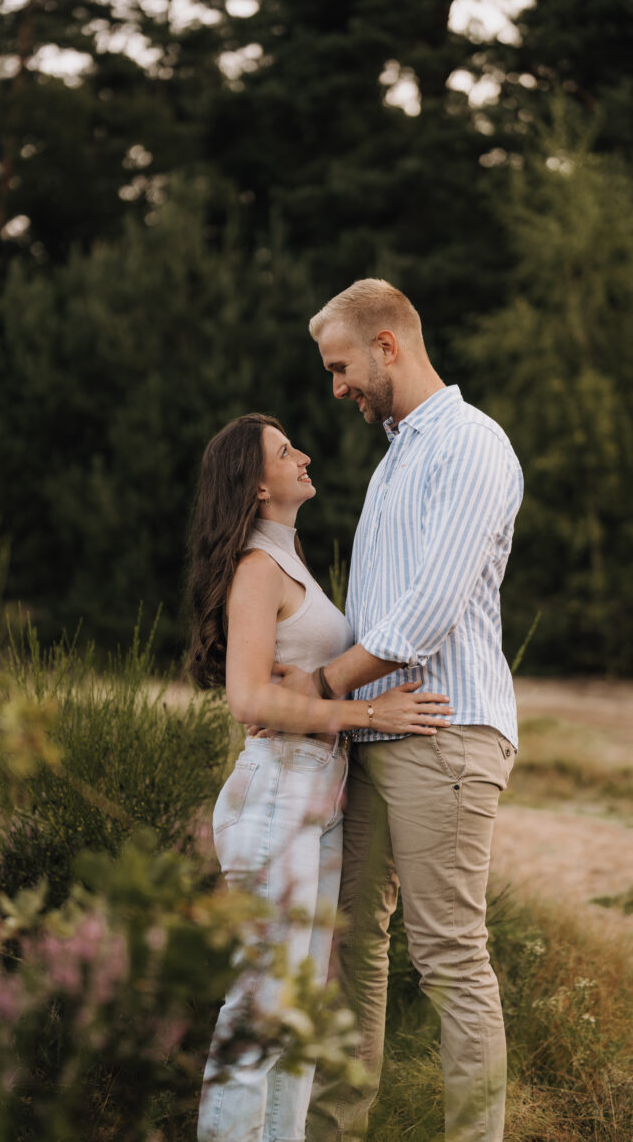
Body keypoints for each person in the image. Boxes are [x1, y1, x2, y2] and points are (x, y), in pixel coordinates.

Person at [269, 280, 523, 1142]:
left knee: (450, 957)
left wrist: (323, 687)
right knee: (355, 948)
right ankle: (336, 1131)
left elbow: (428, 610)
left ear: (387, 345)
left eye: (341, 366)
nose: (335, 386)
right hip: (379, 731)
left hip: (446, 730)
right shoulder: (394, 457)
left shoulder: (470, 443)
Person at [187, 412, 454, 1142]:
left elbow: (302, 688)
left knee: (296, 1013)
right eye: (284, 451)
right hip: (275, 794)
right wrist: (369, 716)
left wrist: (348, 708)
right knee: (262, 1009)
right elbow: (247, 700)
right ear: (256, 482)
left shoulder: (292, 564)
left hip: (315, 801)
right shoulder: (256, 570)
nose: (303, 456)